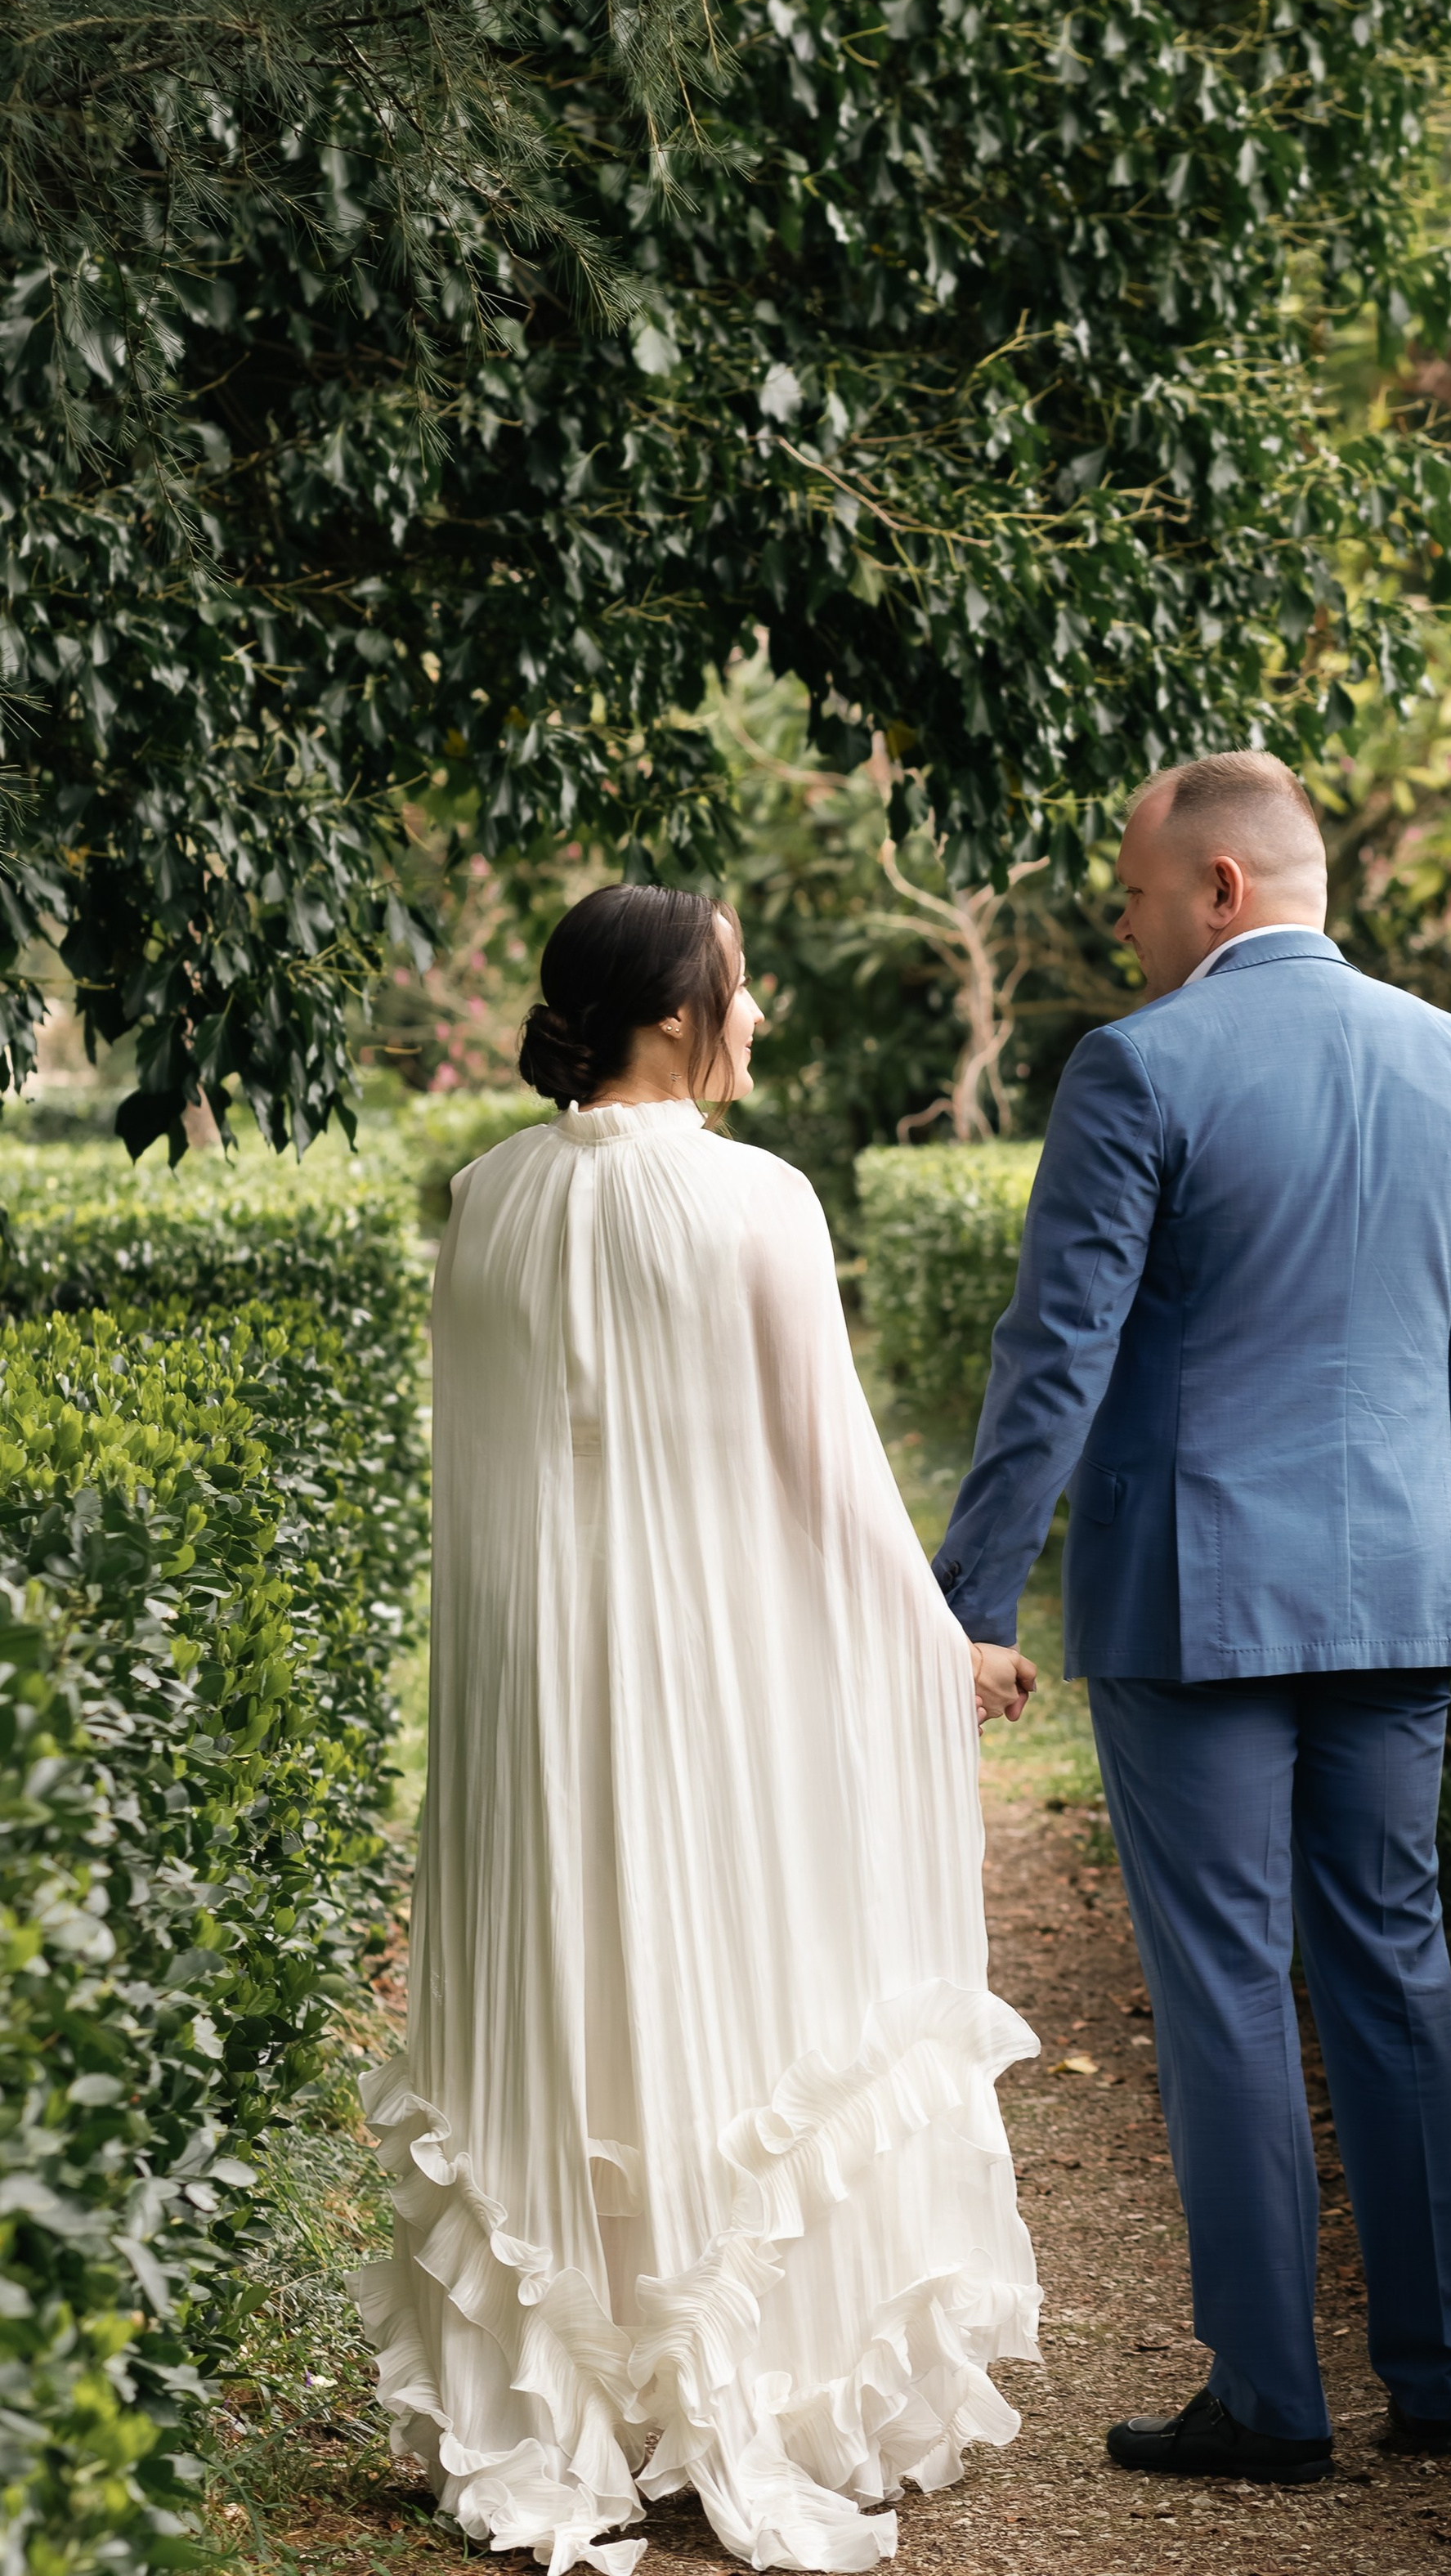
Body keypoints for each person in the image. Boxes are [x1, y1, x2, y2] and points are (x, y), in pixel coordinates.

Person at [352, 885, 1041, 2576]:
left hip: (530, 1678)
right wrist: (926, 1633)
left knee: (577, 1979)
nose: (758, 1012)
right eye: (741, 986)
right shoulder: (755, 1199)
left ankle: (572, 2377)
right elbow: (824, 1466)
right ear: (680, 1009)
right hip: (700, 1666)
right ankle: (730, 2374)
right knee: (727, 1963)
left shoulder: (487, 1195)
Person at [932, 753, 1451, 2485]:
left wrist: (963, 1596)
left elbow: (1052, 1355)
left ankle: (1271, 2403)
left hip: (1192, 1605)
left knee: (1220, 1988)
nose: (1118, 929)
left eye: (1129, 895)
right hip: (1401, 1592)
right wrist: (1447, 1561)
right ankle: (1443, 2377)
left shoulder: (1138, 1066)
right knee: (1394, 1970)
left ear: (1218, 888)